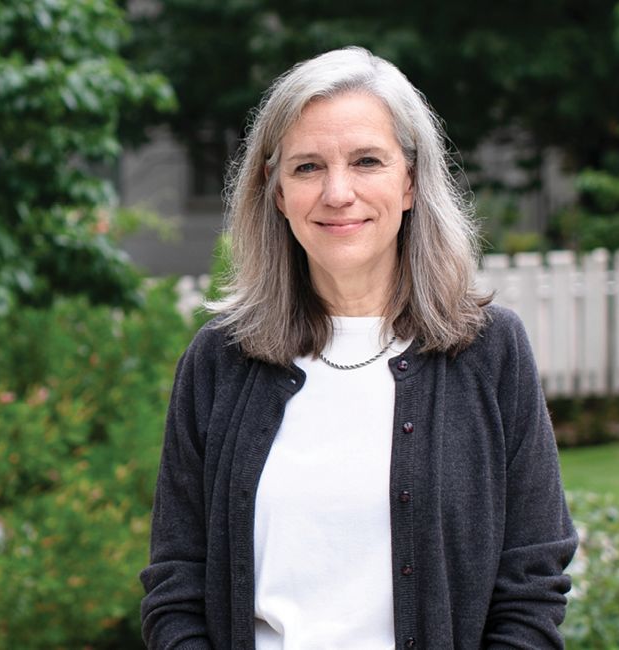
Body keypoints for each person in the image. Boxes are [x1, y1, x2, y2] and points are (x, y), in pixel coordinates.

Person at [139, 46, 578, 650]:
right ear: (275, 190)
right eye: (308, 167)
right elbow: (176, 586)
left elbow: (531, 584)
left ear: (410, 182)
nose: (338, 192)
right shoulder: (219, 362)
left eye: (367, 160)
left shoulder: (489, 352)